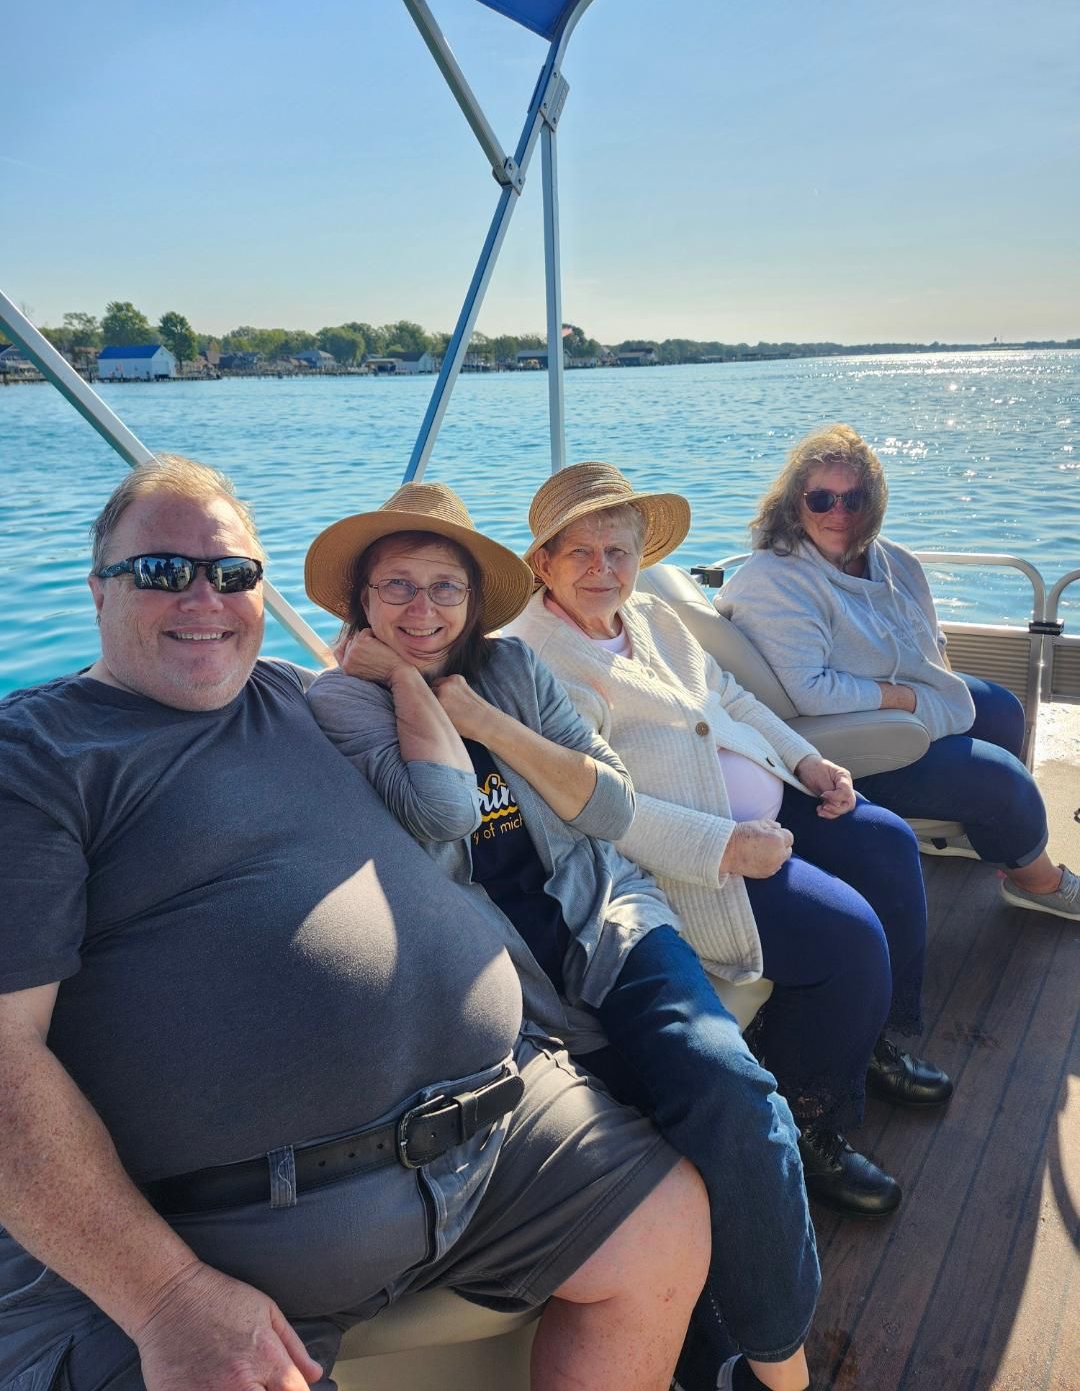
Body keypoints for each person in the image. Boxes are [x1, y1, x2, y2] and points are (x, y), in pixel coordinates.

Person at [0, 454, 712, 1391]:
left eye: (234, 573)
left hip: (499, 1129)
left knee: (668, 1221)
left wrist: (406, 681)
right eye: (164, 571)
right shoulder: (41, 756)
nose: (205, 597)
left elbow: (451, 812)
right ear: (99, 590)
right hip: (236, 1228)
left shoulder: (301, 700)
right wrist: (166, 1293)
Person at [304, 482, 818, 1391]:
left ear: (475, 597)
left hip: (612, 921)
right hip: (504, 984)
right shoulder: (342, 706)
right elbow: (441, 806)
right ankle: (701, 1353)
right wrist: (405, 685)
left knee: (735, 1096)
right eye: (397, 588)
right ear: (361, 603)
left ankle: (782, 1369)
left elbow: (613, 805)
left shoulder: (514, 673)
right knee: (652, 1150)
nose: (423, 609)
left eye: (445, 587)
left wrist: (484, 718)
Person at [504, 461, 954, 1223]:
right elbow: (590, 805)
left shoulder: (650, 619)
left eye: (617, 551)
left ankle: (871, 1040)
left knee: (886, 845)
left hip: (772, 803)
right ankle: (811, 1126)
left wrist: (807, 762)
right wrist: (723, 848)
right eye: (579, 553)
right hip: (695, 860)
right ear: (543, 563)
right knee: (848, 938)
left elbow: (734, 699)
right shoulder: (537, 661)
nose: (602, 569)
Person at [717, 423, 1078, 922]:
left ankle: (963, 833)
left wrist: (936, 688)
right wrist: (910, 700)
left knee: (1001, 711)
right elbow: (809, 691)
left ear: (874, 502)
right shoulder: (775, 583)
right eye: (821, 498)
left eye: (854, 498)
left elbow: (934, 644)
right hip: (841, 735)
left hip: (891, 697)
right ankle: (1036, 883)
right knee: (1002, 781)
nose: (838, 512)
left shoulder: (891, 562)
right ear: (795, 504)